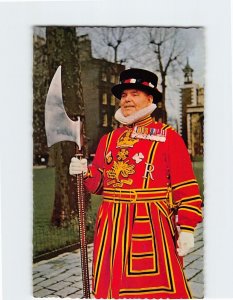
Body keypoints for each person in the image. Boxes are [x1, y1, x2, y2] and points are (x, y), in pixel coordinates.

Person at [69, 68, 203, 299]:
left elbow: (185, 184)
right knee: (111, 286)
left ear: (149, 99)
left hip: (150, 223)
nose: (127, 99)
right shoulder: (108, 139)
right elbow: (101, 184)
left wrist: (188, 227)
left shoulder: (168, 136)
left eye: (135, 93)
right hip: (111, 223)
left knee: (152, 288)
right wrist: (85, 172)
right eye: (123, 95)